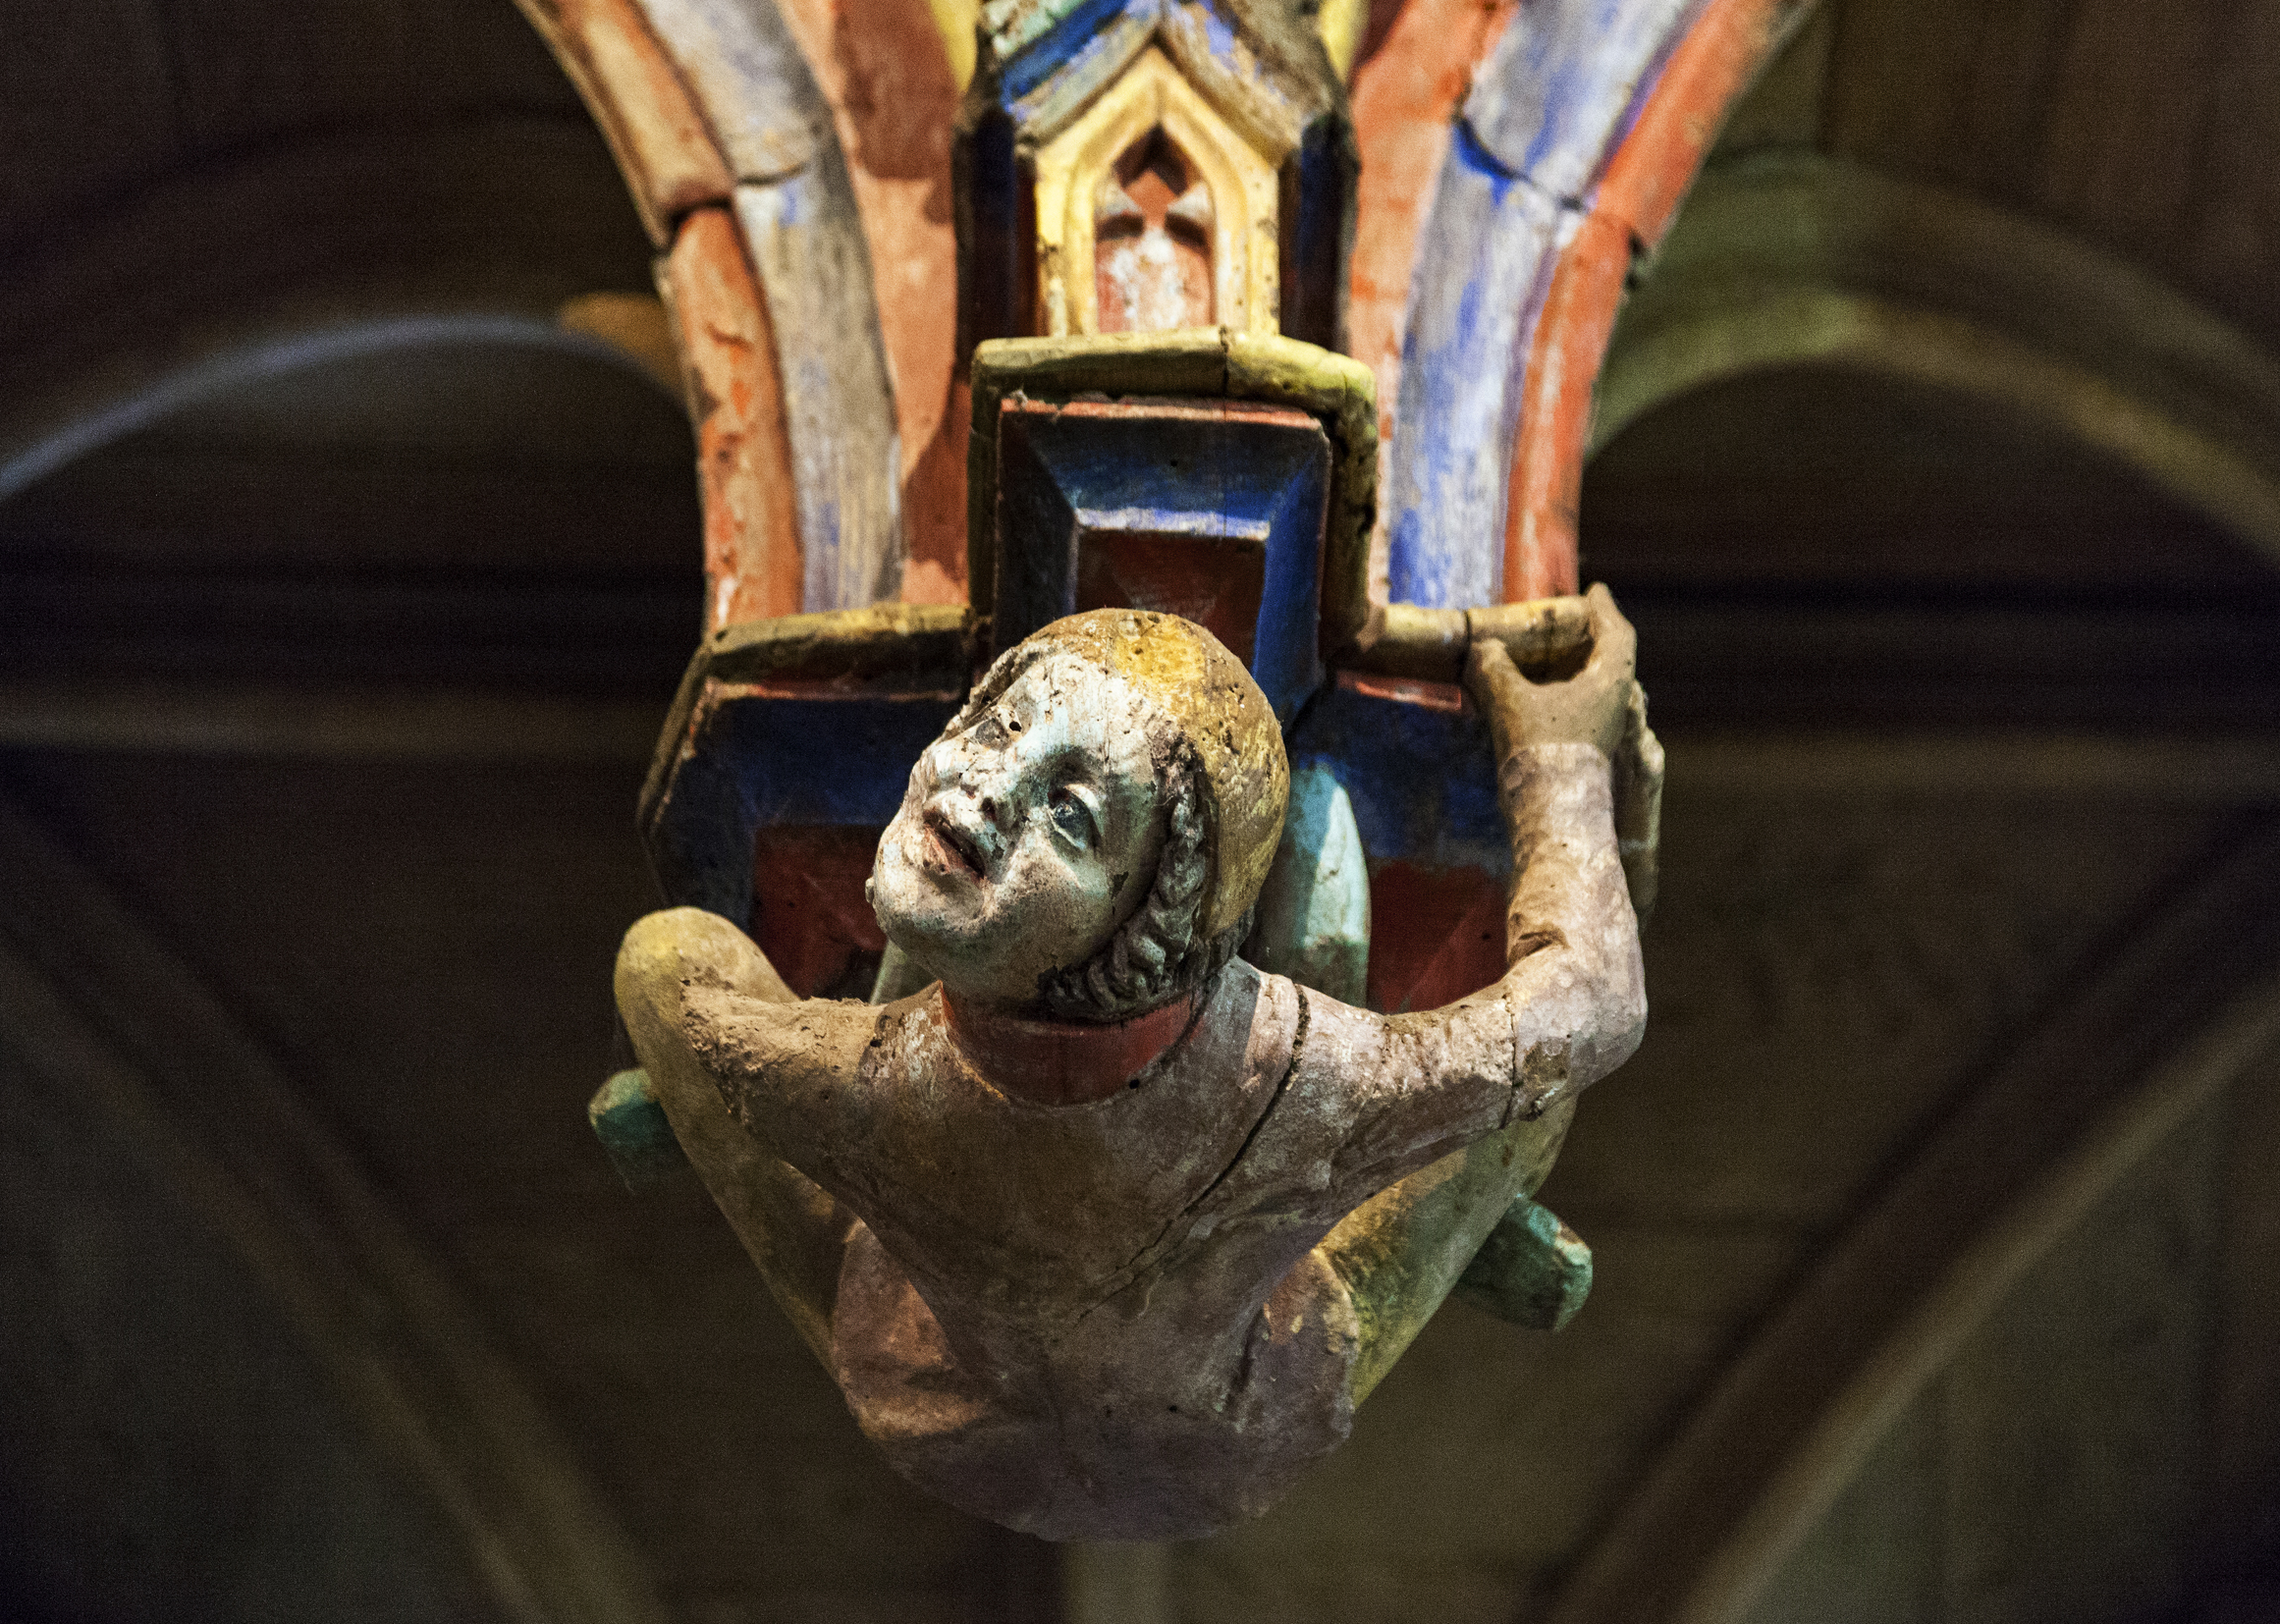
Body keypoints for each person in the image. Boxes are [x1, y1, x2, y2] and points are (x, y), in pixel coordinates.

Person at [614, 589, 1656, 1540]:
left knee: (675, 951)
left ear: (1142, 934)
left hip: (933, 1414)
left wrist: (719, 1070)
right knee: (1527, 1092)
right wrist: (1557, 753)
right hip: (1229, 1445)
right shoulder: (1309, 1080)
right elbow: (1592, 1002)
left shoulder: (846, 1082)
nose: (986, 790)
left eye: (1070, 815)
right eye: (1000, 726)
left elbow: (663, 978)